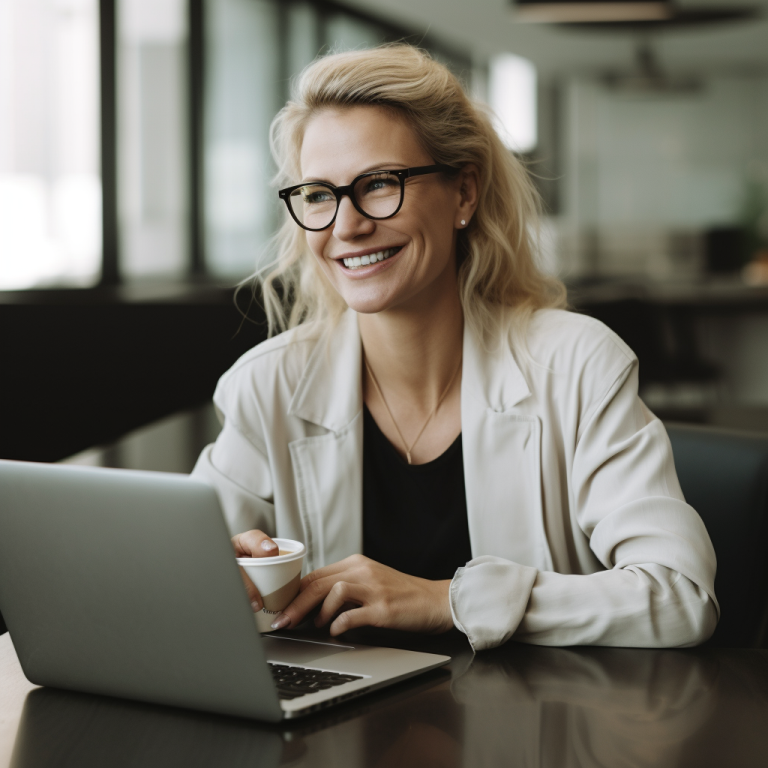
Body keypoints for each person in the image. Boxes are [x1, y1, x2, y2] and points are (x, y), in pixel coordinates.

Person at [192, 44, 718, 651]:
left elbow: (681, 595)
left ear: (464, 194)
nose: (345, 226)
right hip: (336, 739)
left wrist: (446, 600)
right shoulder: (268, 385)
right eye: (317, 194)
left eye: (380, 184)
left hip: (536, 734)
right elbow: (178, 577)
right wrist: (224, 571)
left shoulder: (576, 365)